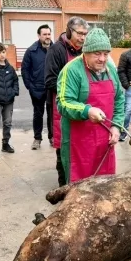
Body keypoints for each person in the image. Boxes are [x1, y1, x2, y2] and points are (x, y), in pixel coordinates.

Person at [56, 28, 124, 183]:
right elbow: (63, 103)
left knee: (104, 185)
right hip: (79, 143)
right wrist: (87, 110)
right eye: (97, 54)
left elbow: (119, 99)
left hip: (105, 142)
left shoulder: (111, 70)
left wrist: (116, 126)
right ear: (85, 52)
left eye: (106, 54)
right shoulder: (71, 70)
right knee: (79, 188)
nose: (102, 59)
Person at [45, 17, 87, 186]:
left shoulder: (84, 51)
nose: (83, 38)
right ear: (69, 31)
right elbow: (50, 80)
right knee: (63, 150)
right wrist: (72, 92)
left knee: (80, 149)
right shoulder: (56, 50)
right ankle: (63, 187)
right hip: (61, 109)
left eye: (85, 34)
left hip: (80, 107)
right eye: (79, 33)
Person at [21, 24, 53, 150]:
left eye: (49, 34)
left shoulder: (55, 49)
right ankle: (37, 139)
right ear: (39, 36)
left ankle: (52, 137)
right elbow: (25, 69)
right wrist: (29, 86)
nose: (47, 36)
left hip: (52, 88)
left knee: (52, 114)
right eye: (44, 34)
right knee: (38, 114)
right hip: (37, 88)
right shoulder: (31, 50)